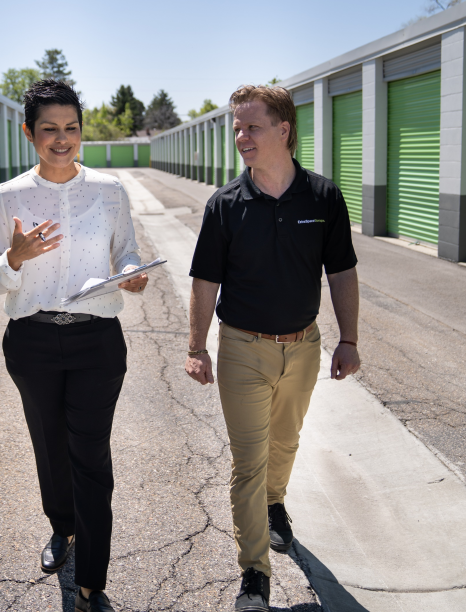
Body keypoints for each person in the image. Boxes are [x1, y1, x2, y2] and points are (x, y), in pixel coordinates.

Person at [185, 84, 361, 611]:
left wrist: (349, 339)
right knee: (249, 460)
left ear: (284, 130)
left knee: (286, 442)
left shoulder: (324, 197)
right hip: (242, 346)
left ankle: (276, 505)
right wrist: (198, 346)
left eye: (252, 126)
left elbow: (343, 273)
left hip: (303, 347)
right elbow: (203, 283)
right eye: (237, 127)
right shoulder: (226, 205)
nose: (241, 136)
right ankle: (254, 574)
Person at [0, 79, 147, 612]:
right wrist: (15, 259)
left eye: (71, 128)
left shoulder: (109, 191)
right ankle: (61, 526)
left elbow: (127, 252)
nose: (61, 138)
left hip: (96, 339)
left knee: (91, 457)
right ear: (29, 132)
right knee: (50, 445)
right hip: (31, 340)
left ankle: (91, 581)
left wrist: (131, 274)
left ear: (81, 132)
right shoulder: (9, 197)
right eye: (49, 128)